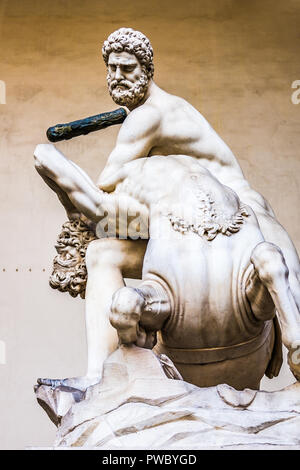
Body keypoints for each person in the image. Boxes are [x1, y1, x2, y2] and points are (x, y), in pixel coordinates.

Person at [35, 28, 300, 391]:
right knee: (102, 254)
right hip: (182, 222)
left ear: (147, 69)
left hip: (240, 210)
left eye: (127, 69)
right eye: (111, 69)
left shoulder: (148, 116)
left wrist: (74, 195)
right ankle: (100, 378)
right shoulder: (154, 114)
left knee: (281, 263)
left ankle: (294, 339)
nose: (117, 77)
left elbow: (109, 181)